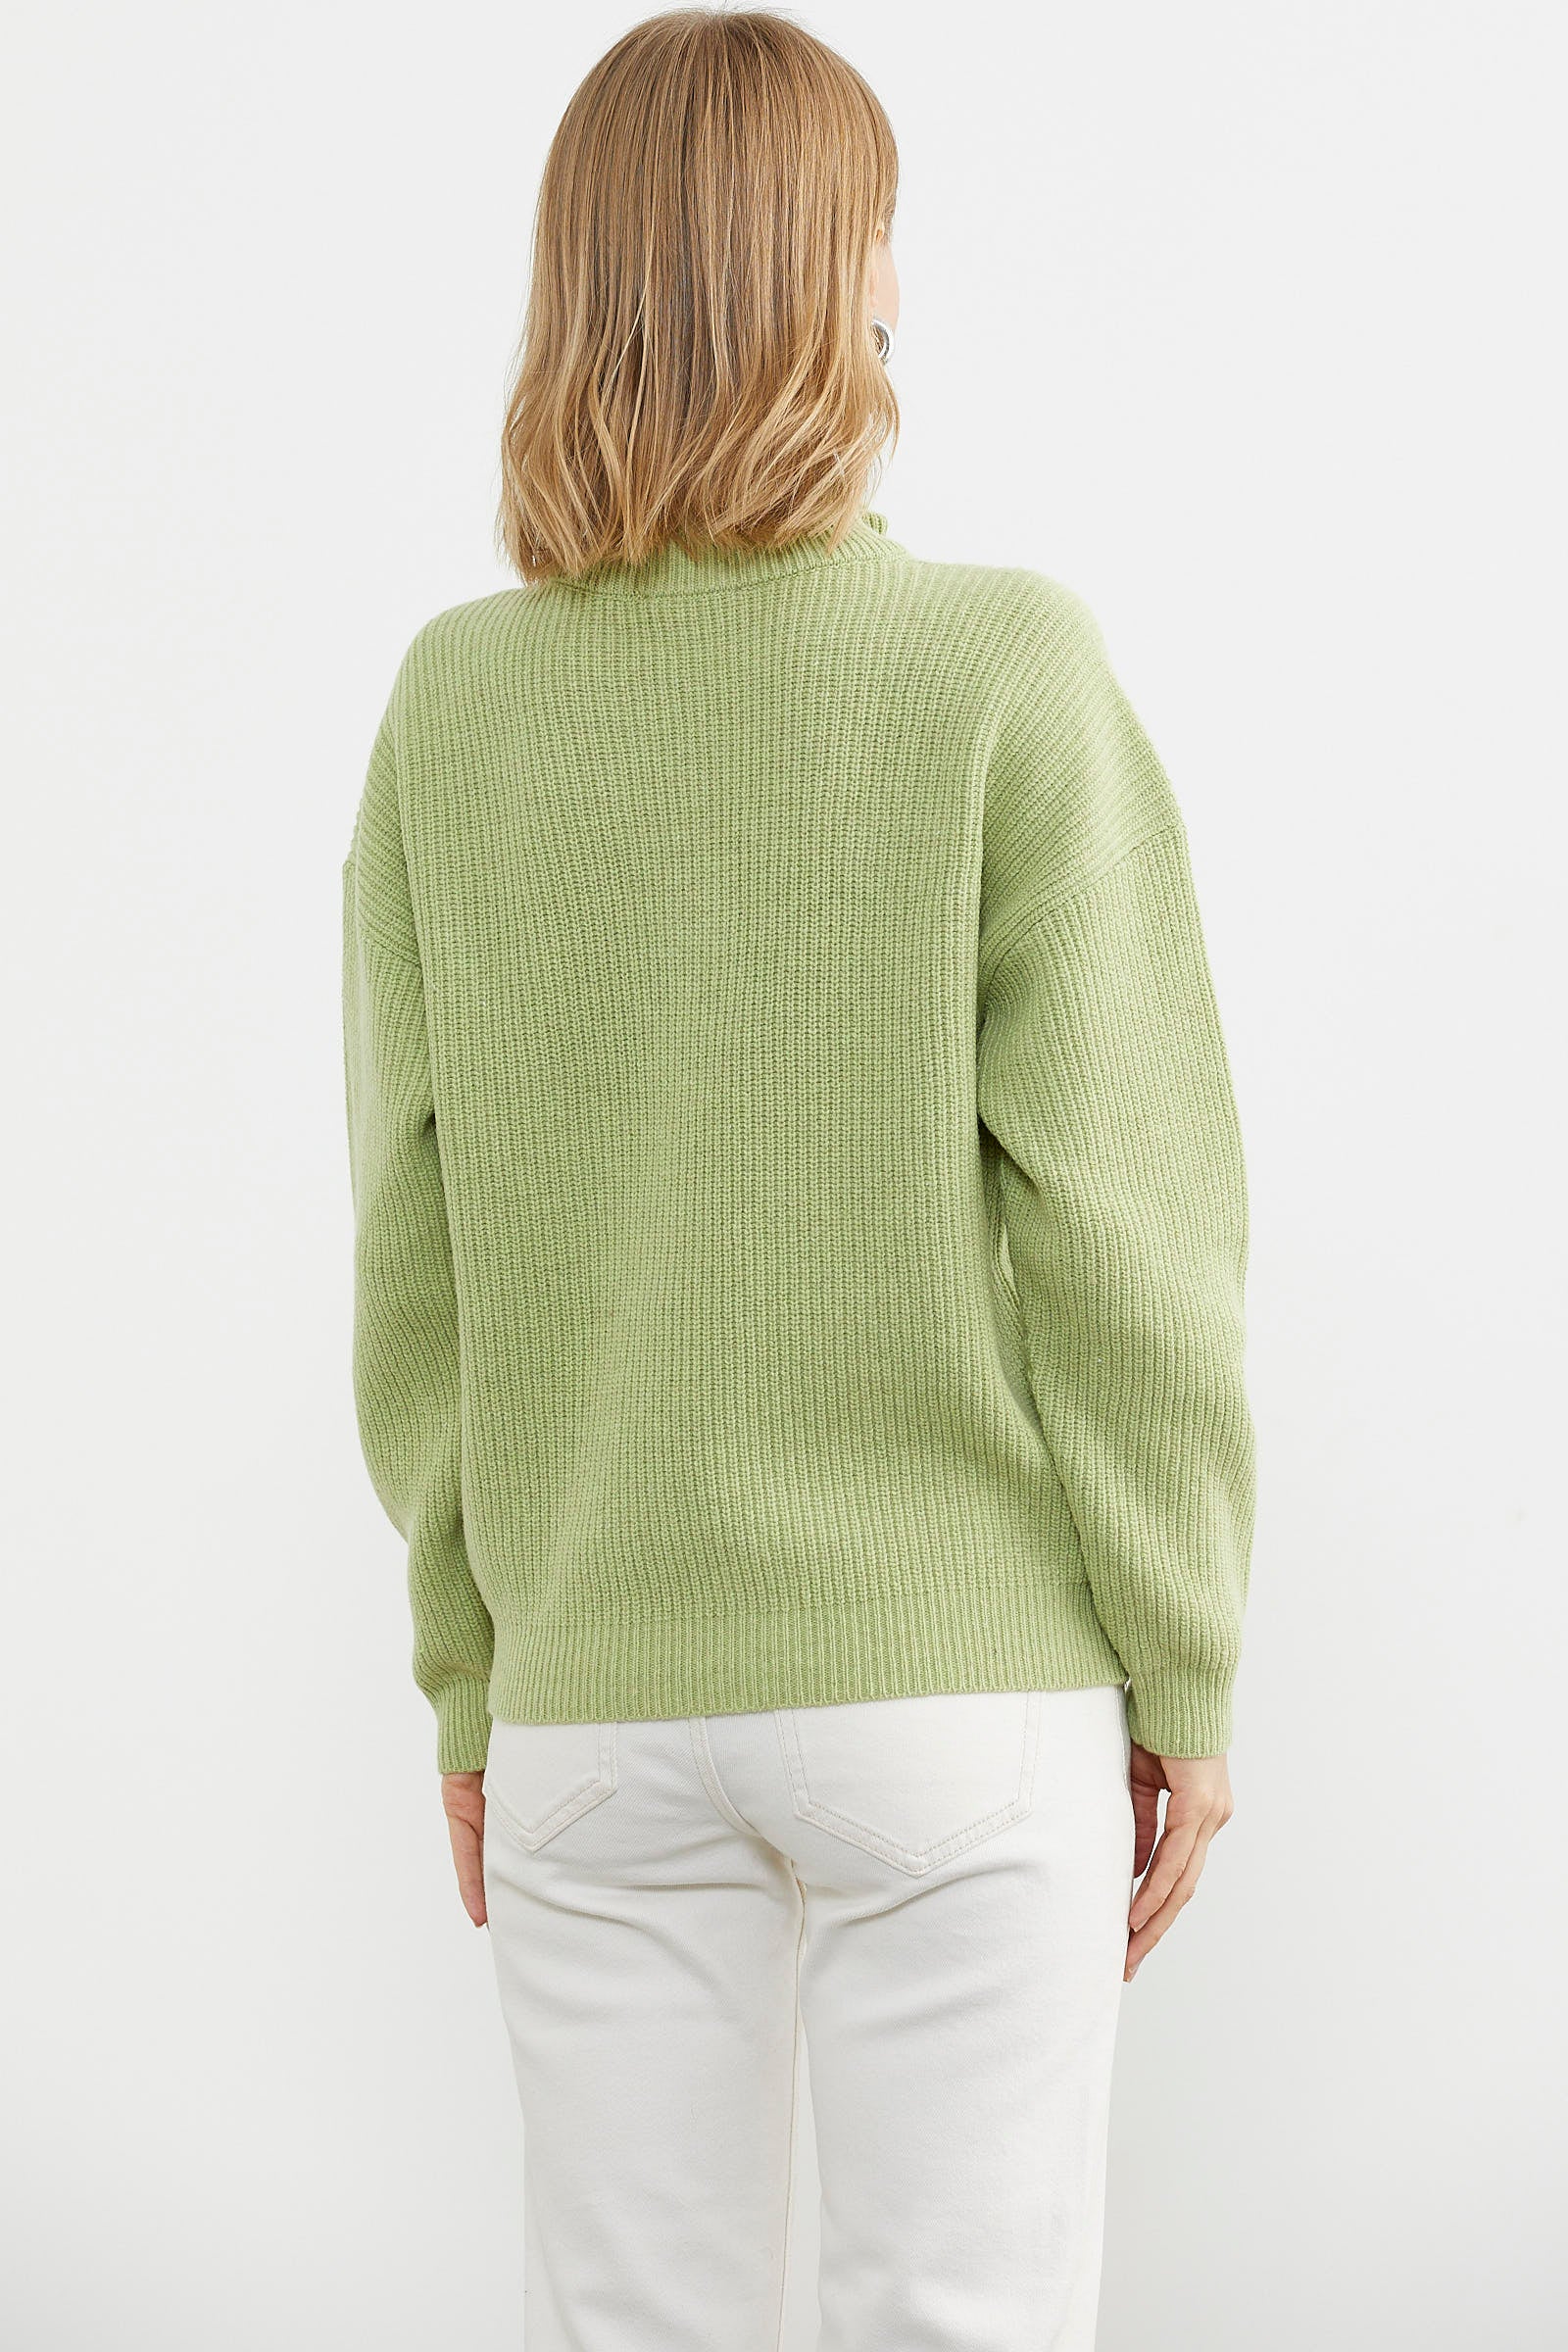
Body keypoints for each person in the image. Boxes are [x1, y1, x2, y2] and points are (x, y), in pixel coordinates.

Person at [341, 10, 1254, 2346]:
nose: (893, 294)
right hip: (953, 1691)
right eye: (875, 244)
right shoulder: (996, 667)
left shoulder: (452, 704)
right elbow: (1127, 1223)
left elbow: (413, 1260)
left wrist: (474, 1677)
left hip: (594, 1703)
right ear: (827, 278)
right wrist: (1180, 1656)